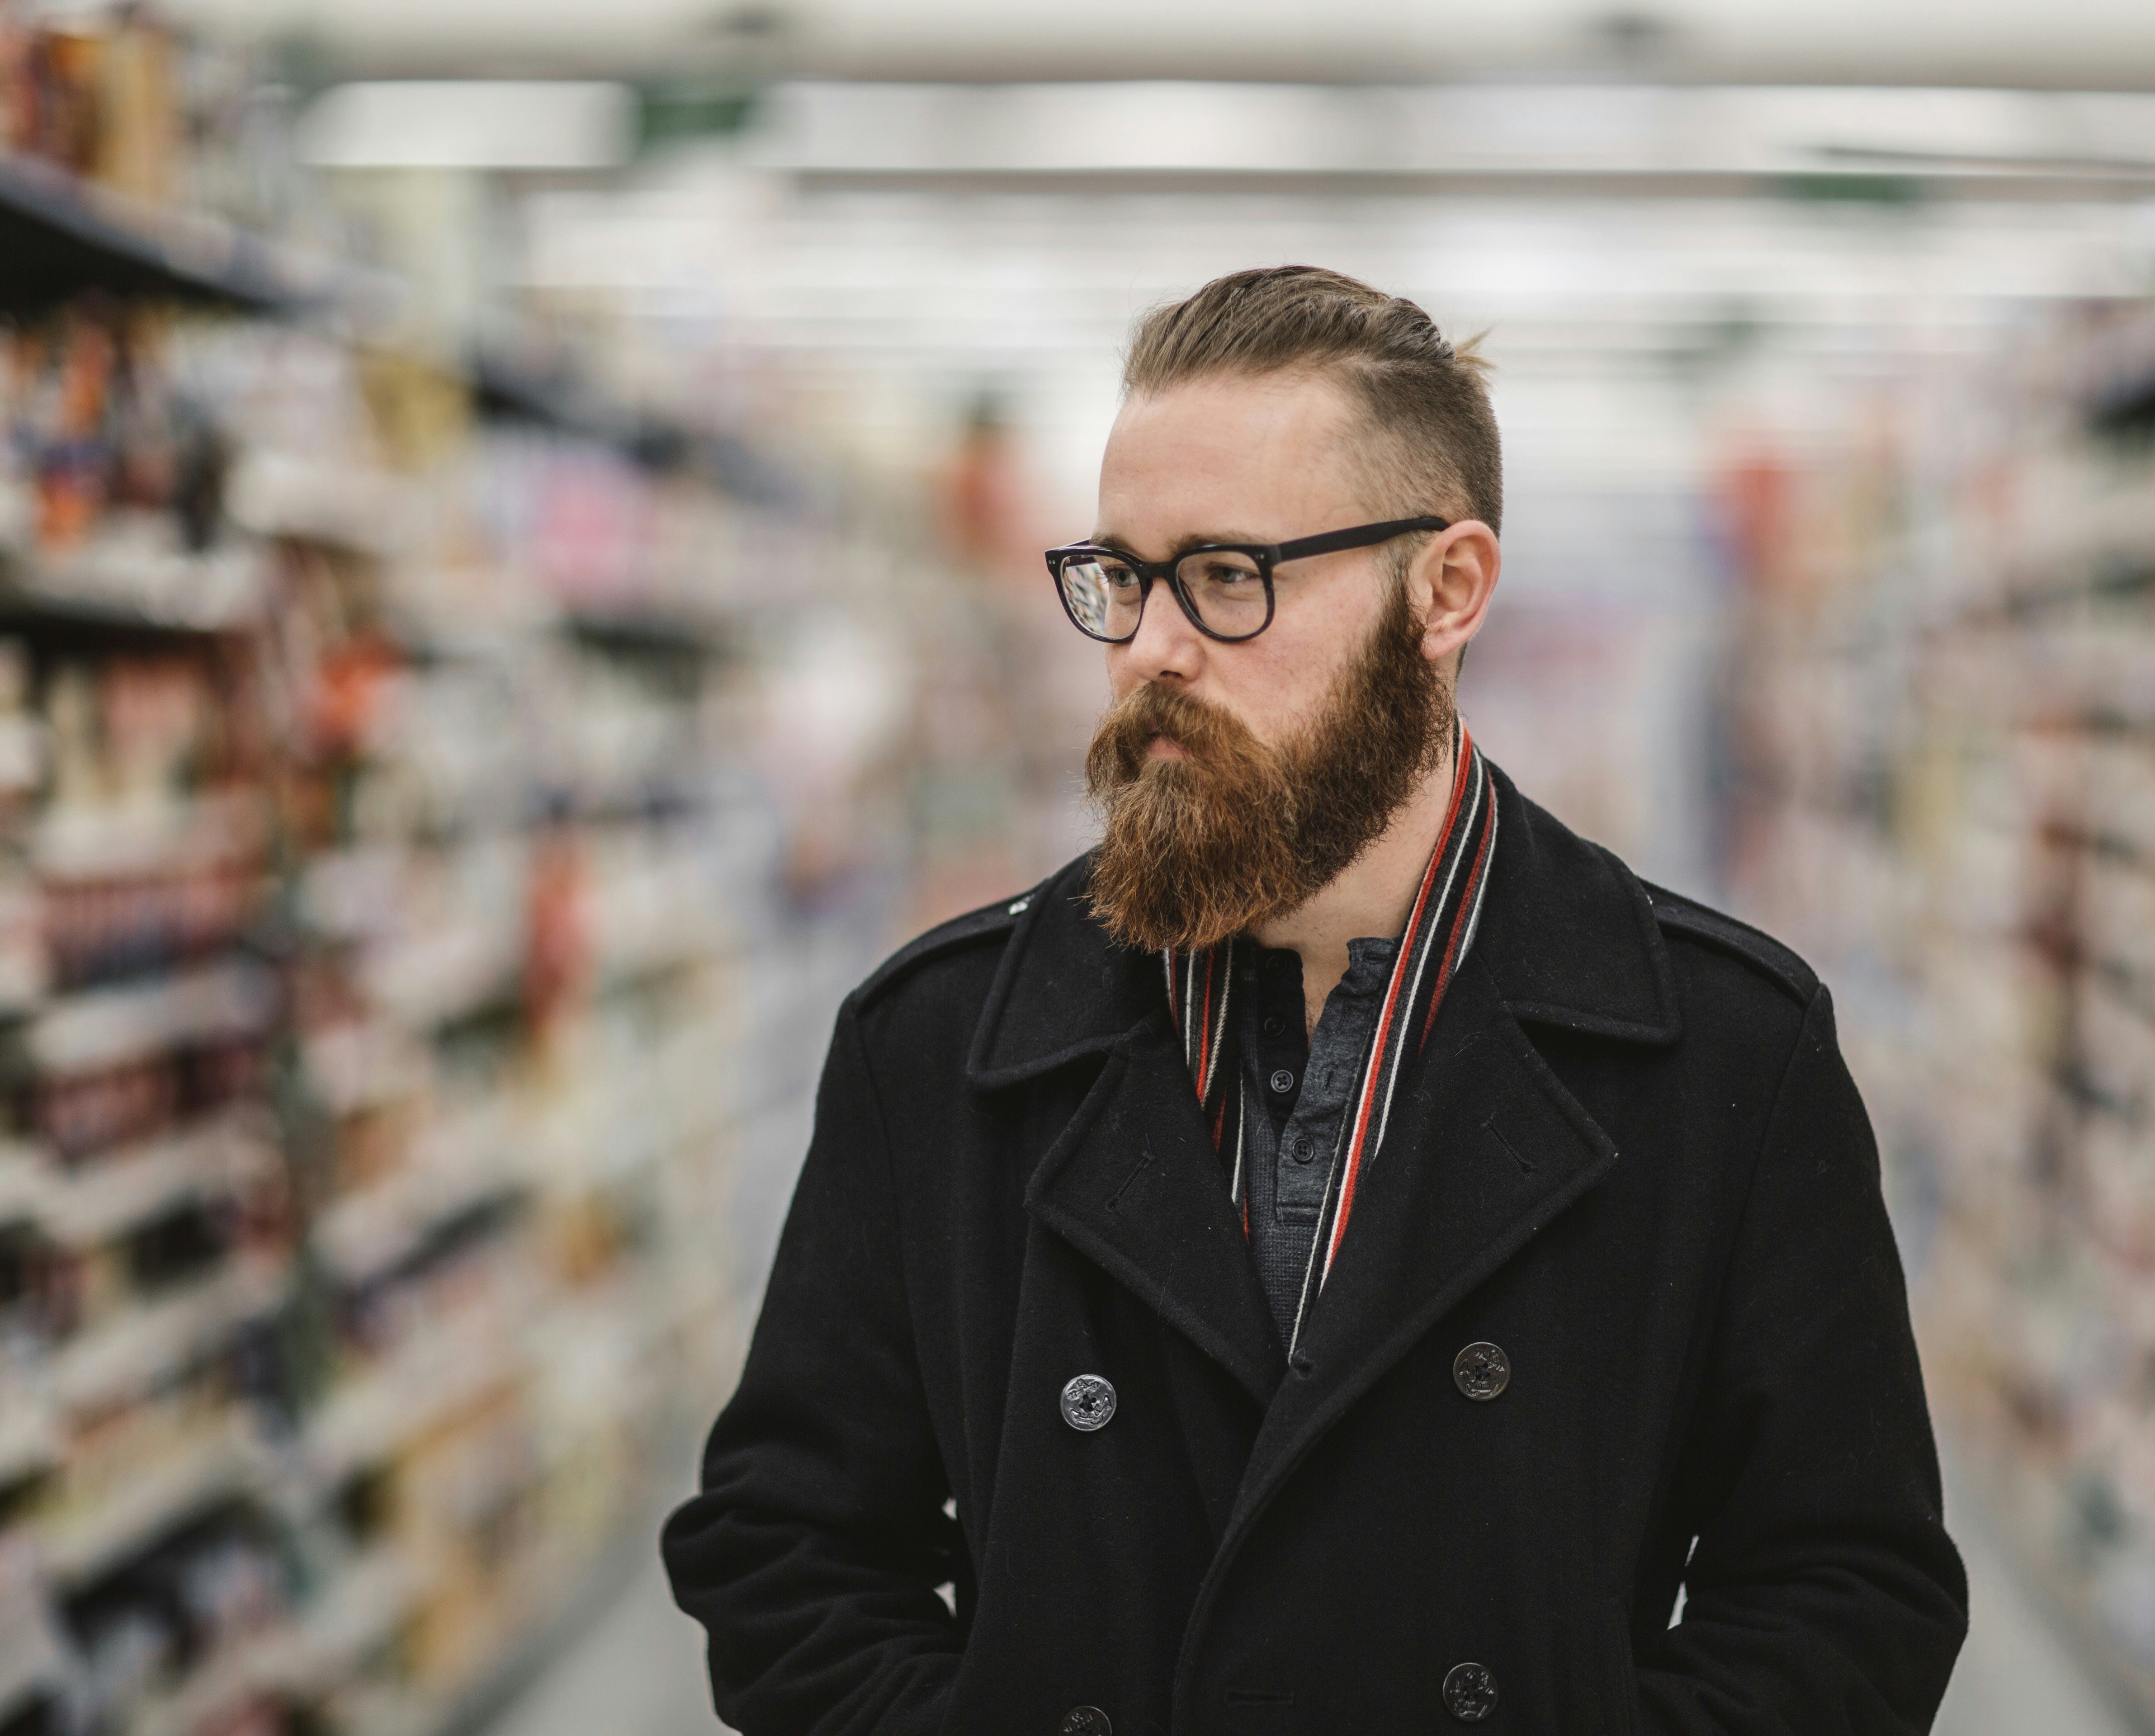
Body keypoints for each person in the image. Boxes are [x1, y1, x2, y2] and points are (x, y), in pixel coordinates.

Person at [662, 265, 1967, 1734]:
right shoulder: (941, 1044)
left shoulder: (1725, 1053)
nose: (1150, 644)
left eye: (1228, 576)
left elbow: (1847, 1595)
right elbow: (785, 1553)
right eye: (1123, 575)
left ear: (1446, 593)